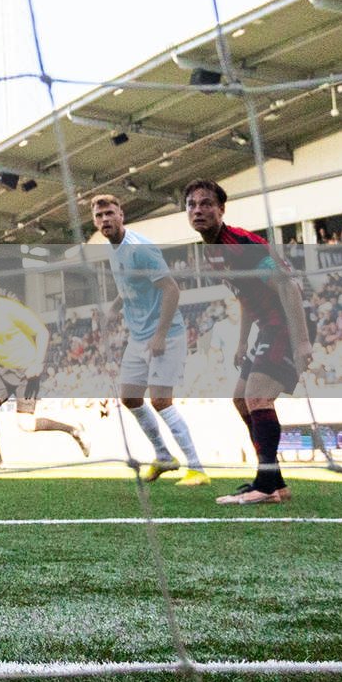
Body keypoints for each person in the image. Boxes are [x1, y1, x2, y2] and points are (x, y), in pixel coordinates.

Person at [183, 179, 313, 506]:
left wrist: (301, 342)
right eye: (191, 204)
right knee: (241, 399)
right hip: (268, 325)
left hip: (287, 321)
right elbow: (243, 297)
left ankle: (266, 486)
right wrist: (243, 342)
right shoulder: (212, 253)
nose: (198, 210)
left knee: (257, 397)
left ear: (221, 209)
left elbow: (287, 286)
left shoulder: (238, 244)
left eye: (206, 203)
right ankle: (274, 482)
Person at [90, 193, 208, 486]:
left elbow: (171, 289)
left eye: (109, 213)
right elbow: (129, 285)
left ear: (121, 215)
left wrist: (160, 334)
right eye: (99, 215)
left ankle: (197, 468)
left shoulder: (139, 248)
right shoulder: (113, 250)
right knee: (130, 397)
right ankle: (163, 456)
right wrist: (113, 309)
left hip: (165, 335)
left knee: (160, 401)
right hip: (138, 337)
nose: (105, 219)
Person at [0, 293, 88, 468]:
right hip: (0, 369)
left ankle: (74, 429)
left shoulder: (10, 308)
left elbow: (42, 332)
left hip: (27, 370)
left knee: (26, 424)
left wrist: (38, 363)